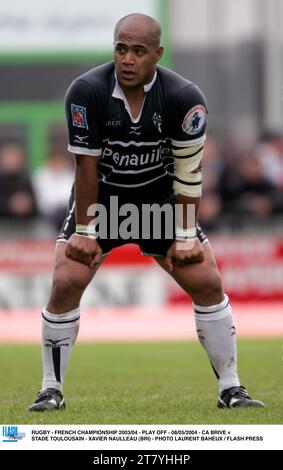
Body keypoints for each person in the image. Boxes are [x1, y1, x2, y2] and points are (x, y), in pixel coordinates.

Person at [28, 13, 264, 412]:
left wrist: (186, 236)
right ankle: (50, 390)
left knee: (207, 280)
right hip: (103, 203)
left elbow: (190, 173)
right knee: (66, 280)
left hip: (159, 202)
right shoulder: (86, 91)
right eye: (121, 48)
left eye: (139, 51)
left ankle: (231, 389)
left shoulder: (184, 98)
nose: (128, 59)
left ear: (158, 53)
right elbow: (85, 167)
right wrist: (85, 229)